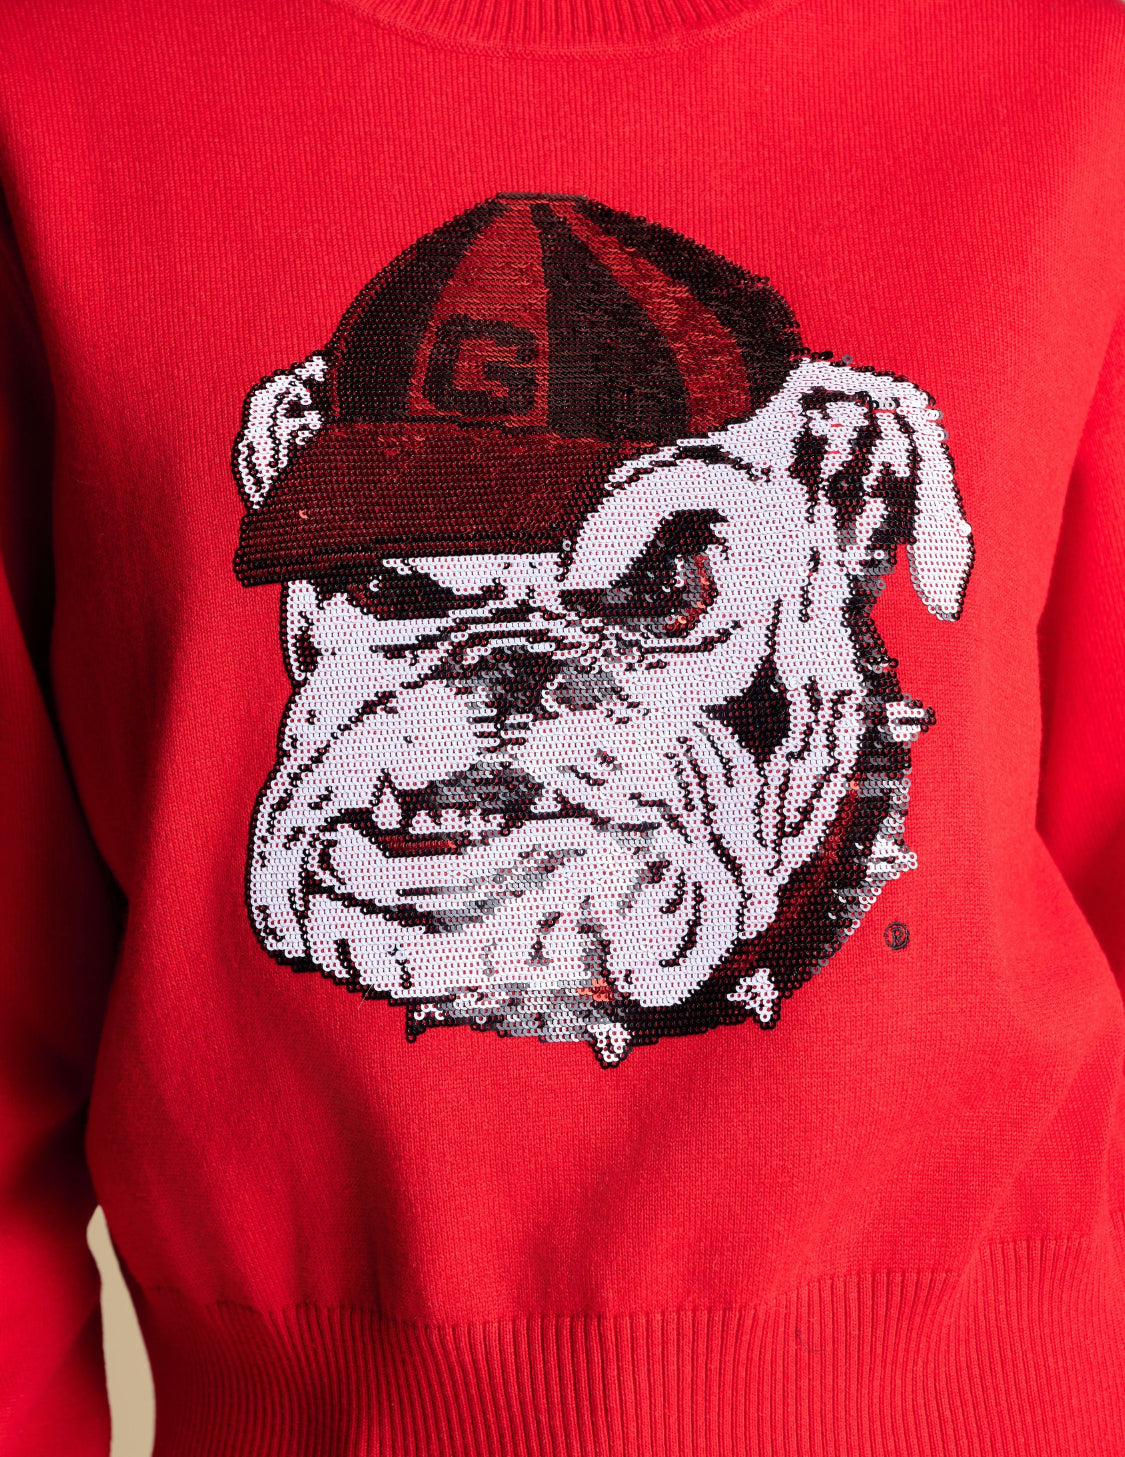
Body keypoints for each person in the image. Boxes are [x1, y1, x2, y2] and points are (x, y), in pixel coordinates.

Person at [1, 2, 1123, 1452]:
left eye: (664, 586)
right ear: (279, 462)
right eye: (392, 582)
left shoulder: (1073, 63)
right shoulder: (55, 76)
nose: (506, 683)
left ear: (858, 498)